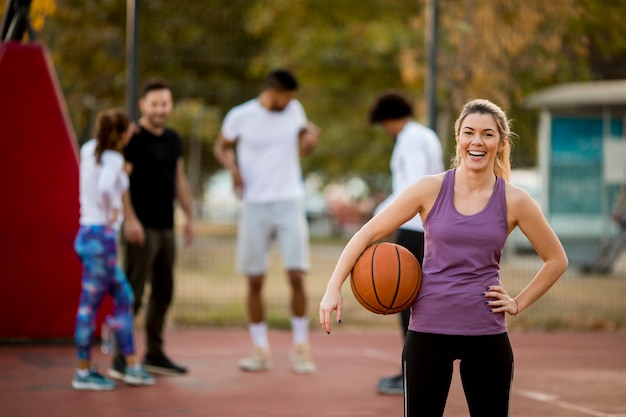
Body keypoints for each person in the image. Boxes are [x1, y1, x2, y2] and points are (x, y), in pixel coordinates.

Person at [320, 99, 568, 416]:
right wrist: (333, 287)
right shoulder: (430, 189)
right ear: (458, 138)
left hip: (485, 330)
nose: (477, 141)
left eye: (487, 134)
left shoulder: (515, 200)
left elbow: (557, 259)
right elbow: (366, 234)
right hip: (428, 329)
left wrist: (518, 302)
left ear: (501, 142)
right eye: (469, 132)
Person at [213, 69, 320, 374]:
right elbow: (220, 146)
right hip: (255, 205)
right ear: (272, 92)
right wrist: (233, 169)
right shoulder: (240, 116)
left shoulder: (294, 110)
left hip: (290, 201)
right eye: (287, 96)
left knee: (297, 275)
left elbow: (305, 131)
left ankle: (301, 347)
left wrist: (311, 136)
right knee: (255, 279)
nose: (291, 102)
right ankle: (260, 349)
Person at [109, 78, 195, 379]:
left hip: (166, 227)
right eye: (154, 104)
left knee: (164, 291)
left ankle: (155, 354)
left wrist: (190, 216)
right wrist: (130, 219)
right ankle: (121, 358)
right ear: (144, 106)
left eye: (165, 104)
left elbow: (180, 180)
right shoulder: (132, 138)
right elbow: (121, 183)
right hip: (140, 227)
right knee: (133, 292)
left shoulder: (173, 139)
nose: (160, 109)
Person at [73, 108, 155, 390]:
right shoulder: (113, 158)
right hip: (100, 238)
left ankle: (131, 364)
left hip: (87, 234)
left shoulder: (89, 150)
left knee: (124, 296)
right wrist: (114, 208)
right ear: (121, 135)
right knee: (89, 305)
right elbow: (108, 186)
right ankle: (83, 373)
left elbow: (100, 153)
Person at [368, 91, 444, 395]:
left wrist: (377, 219)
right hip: (425, 227)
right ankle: (418, 370)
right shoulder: (423, 135)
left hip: (415, 228)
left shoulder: (410, 139)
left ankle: (414, 374)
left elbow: (411, 190)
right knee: (418, 303)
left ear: (388, 120)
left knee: (406, 301)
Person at [586, 184, 626, 273]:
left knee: (617, 243)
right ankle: (595, 265)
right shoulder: (623, 198)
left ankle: (607, 267)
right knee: (607, 242)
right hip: (622, 232)